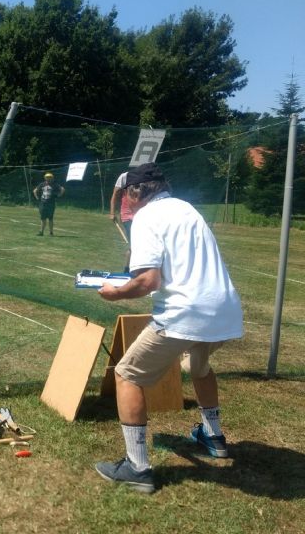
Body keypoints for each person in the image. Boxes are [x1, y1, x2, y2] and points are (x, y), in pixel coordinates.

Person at [95, 162, 243, 494]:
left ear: (136, 193)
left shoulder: (146, 217)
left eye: (126, 196)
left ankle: (137, 467)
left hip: (184, 312)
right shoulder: (186, 208)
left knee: (127, 375)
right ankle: (214, 436)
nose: (125, 203)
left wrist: (114, 293)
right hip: (224, 310)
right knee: (199, 367)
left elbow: (148, 281)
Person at [109, 171, 134, 272]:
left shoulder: (148, 176)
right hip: (128, 216)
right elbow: (115, 195)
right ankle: (127, 270)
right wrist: (112, 213)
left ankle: (131, 270)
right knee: (134, 245)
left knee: (138, 245)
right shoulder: (124, 176)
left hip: (142, 215)